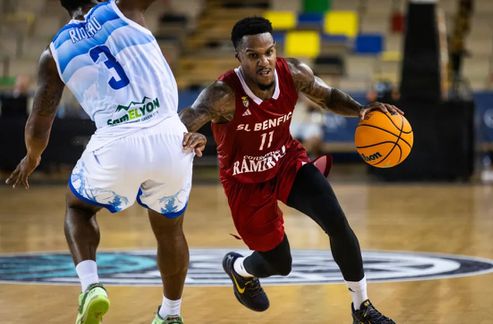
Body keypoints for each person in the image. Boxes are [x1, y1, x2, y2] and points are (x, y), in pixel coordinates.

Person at [180, 16, 401, 324]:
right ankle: (240, 269)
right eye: (253, 55)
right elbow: (187, 119)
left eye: (269, 51)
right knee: (280, 263)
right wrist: (186, 135)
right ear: (238, 57)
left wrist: (361, 110)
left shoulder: (293, 72)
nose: (264, 61)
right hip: (245, 183)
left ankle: (361, 307)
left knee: (337, 223)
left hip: (287, 163)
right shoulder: (223, 93)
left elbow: (327, 96)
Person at [5, 1, 206, 324]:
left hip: (117, 143)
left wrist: (33, 156)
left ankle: (91, 286)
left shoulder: (53, 53)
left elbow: (39, 123)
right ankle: (170, 314)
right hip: (171, 137)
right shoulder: (125, 8)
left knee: (78, 207)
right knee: (170, 230)